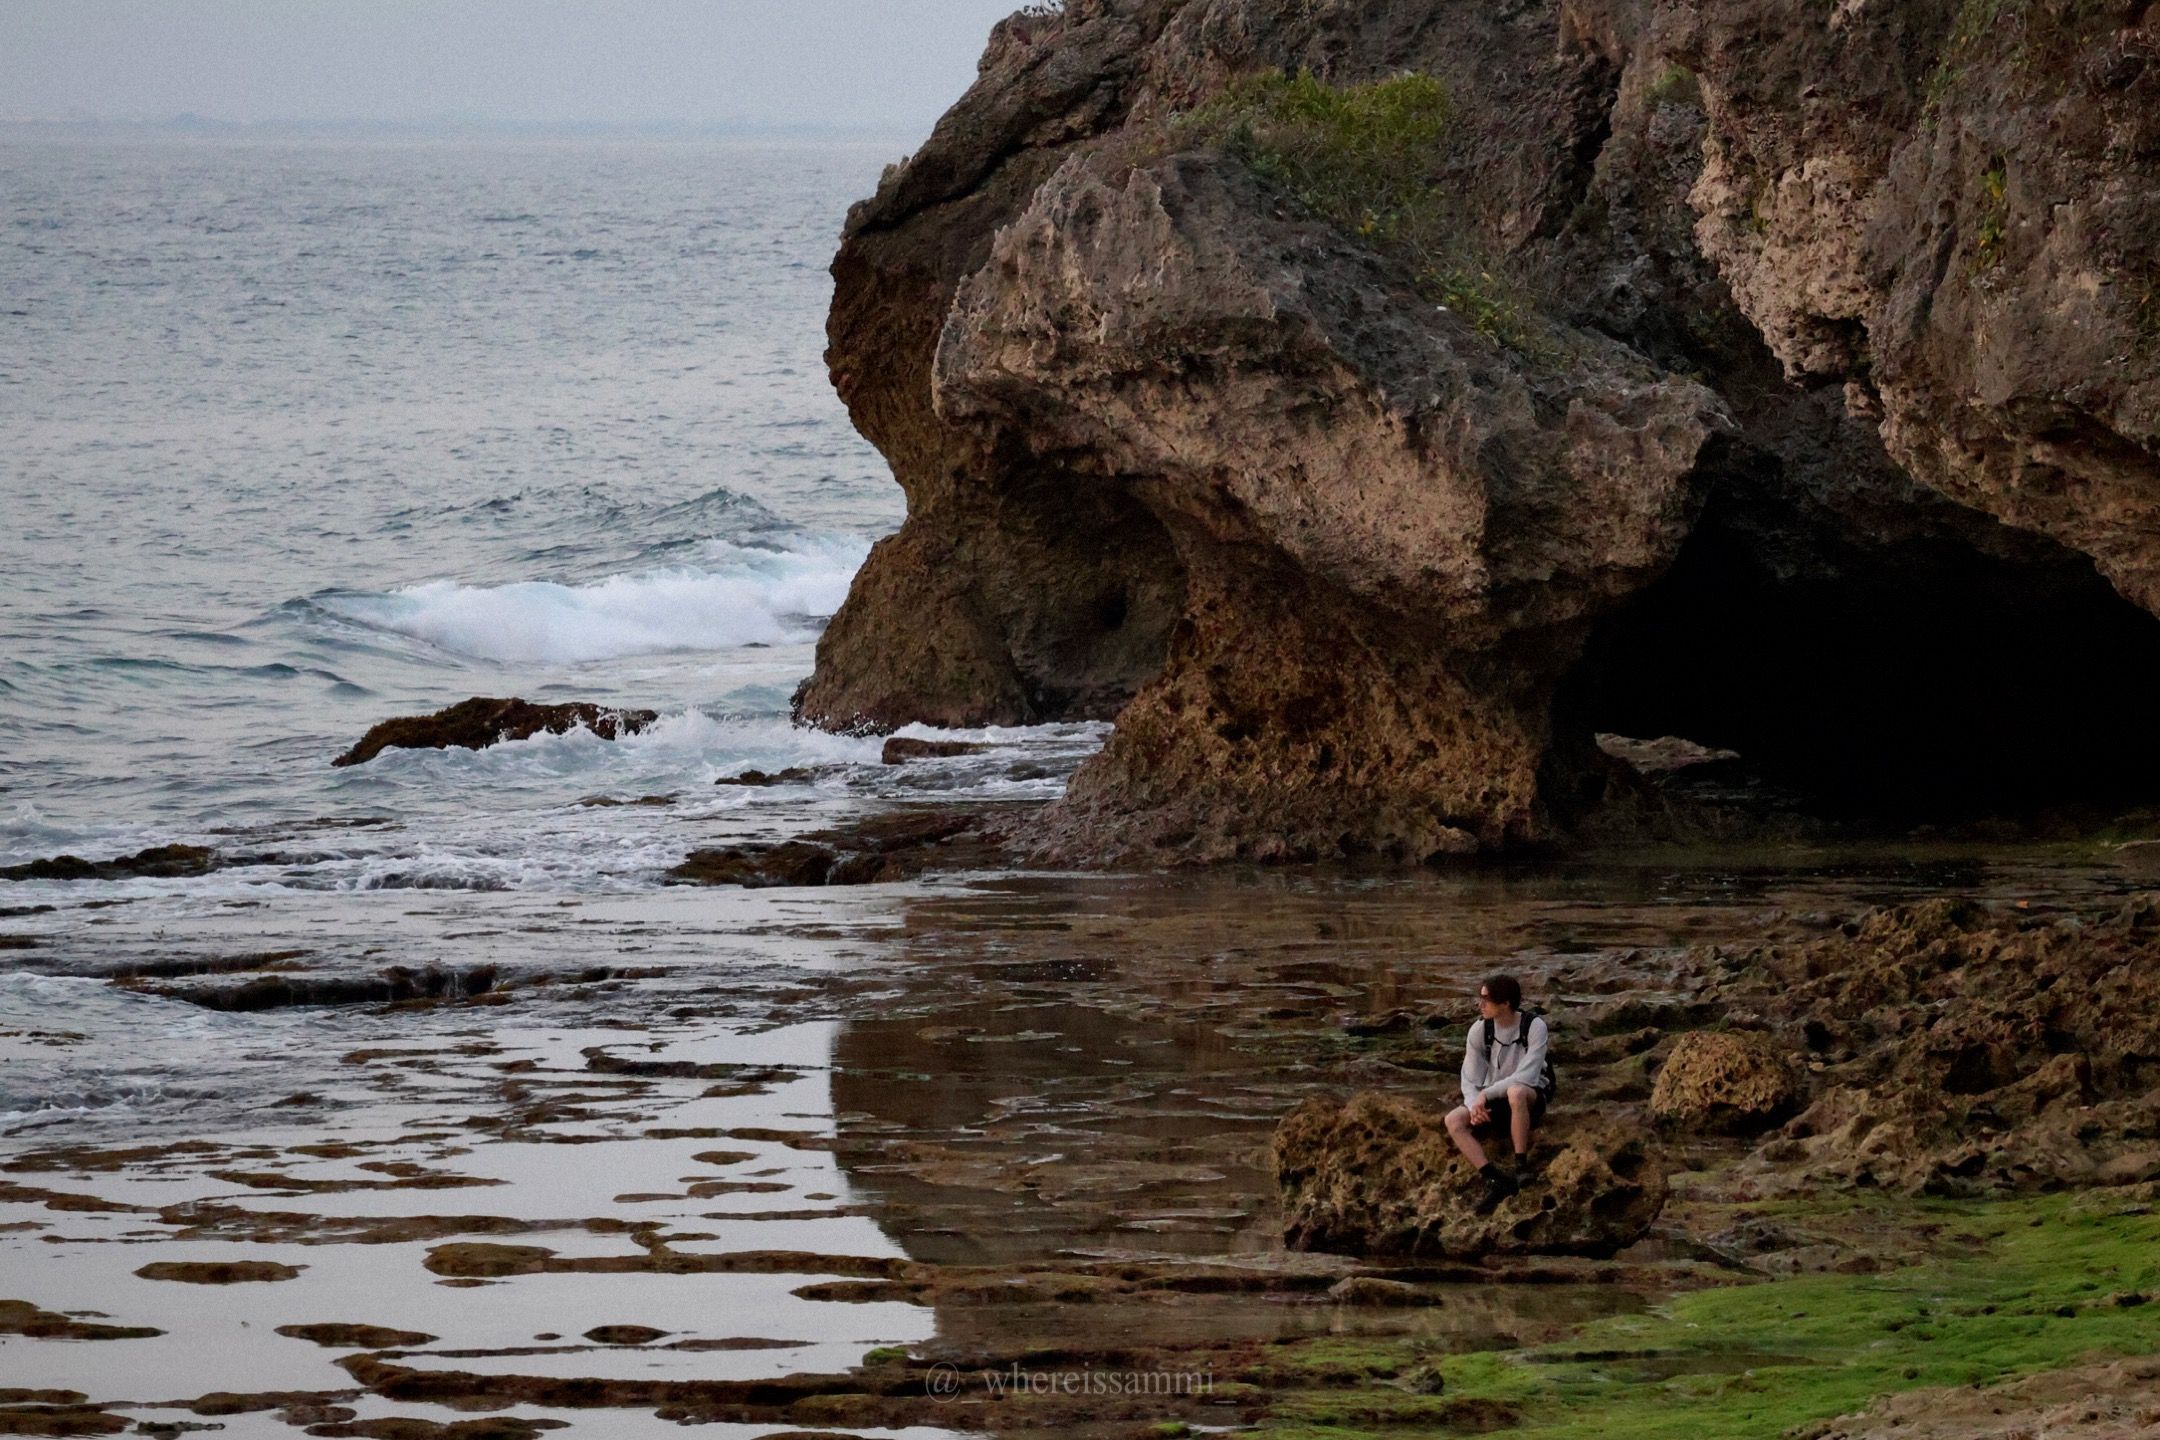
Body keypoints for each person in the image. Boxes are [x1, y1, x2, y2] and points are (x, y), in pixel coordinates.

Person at [1443, 974, 1552, 1209]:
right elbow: (1469, 1078)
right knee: (1453, 1120)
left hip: (1529, 1097)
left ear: (1506, 1003)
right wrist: (1474, 1107)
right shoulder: (1479, 1030)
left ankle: (1521, 1164)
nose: (1480, 1004)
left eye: (1486, 1000)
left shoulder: (1534, 1026)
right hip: (1492, 1097)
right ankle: (1496, 1179)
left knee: (1516, 1092)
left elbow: (1528, 1076)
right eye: (1480, 998)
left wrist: (1486, 1095)